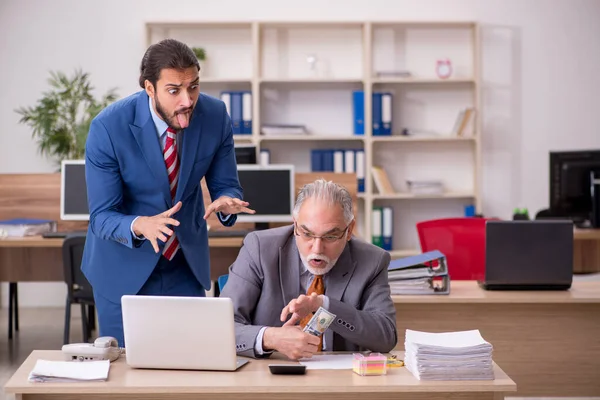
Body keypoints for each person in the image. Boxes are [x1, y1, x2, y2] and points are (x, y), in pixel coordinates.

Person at [81, 38, 254, 347]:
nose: (187, 100)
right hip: (123, 269)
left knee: (190, 362)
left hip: (184, 264)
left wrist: (226, 202)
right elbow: (101, 217)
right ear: (150, 88)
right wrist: (140, 225)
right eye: (174, 90)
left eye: (193, 86)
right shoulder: (109, 127)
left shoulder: (215, 115)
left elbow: (225, 182)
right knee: (125, 375)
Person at [220, 179, 397, 360]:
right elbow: (220, 327)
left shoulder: (372, 260)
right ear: (295, 224)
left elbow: (385, 336)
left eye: (330, 236)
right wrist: (270, 338)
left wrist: (325, 305)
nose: (317, 248)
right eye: (307, 234)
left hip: (339, 380)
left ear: (349, 230)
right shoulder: (259, 248)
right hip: (268, 376)